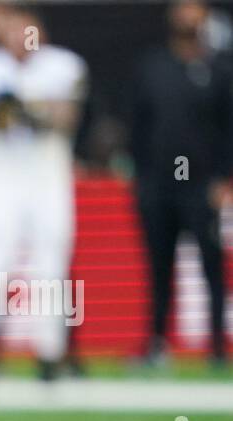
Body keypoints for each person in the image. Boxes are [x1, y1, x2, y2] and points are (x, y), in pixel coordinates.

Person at [0, 5, 87, 380]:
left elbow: (66, 120)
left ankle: (49, 353)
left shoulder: (63, 65)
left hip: (47, 177)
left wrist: (27, 109)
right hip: (2, 178)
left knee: (51, 265)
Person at [132, 0, 231, 368]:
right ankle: (157, 343)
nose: (188, 17)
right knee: (159, 265)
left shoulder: (218, 69)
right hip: (158, 184)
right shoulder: (153, 67)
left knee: (210, 264)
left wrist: (223, 179)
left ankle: (218, 349)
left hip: (201, 185)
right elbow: (138, 126)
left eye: (195, 9)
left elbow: (227, 128)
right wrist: (140, 179)